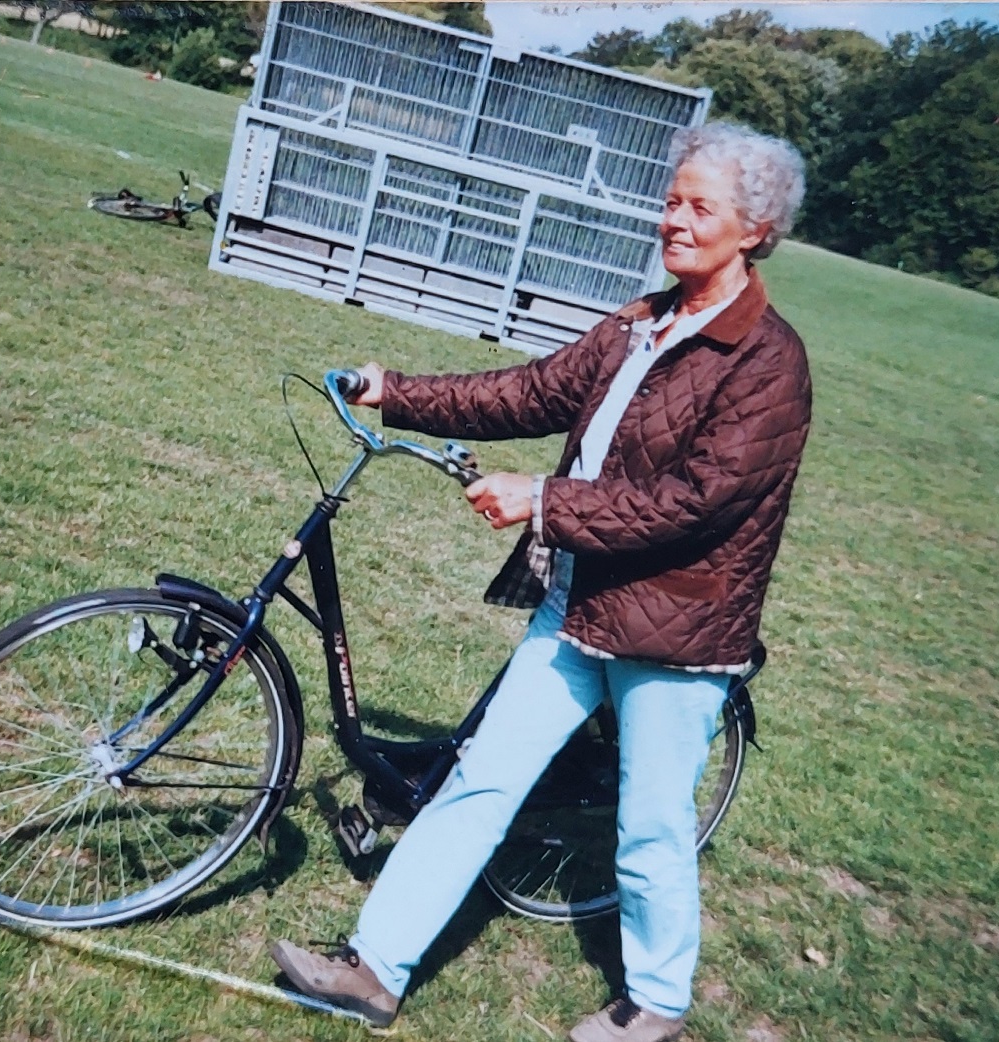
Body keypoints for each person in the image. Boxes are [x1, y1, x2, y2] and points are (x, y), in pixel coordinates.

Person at [269, 121, 813, 1042]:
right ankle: (374, 971)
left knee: (648, 827)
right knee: (479, 783)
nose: (672, 219)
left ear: (755, 230)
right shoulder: (642, 323)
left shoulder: (767, 361)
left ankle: (658, 1008)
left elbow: (698, 504)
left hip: (679, 631)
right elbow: (526, 393)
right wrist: (389, 387)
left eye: (699, 207)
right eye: (671, 200)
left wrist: (547, 502)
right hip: (579, 605)